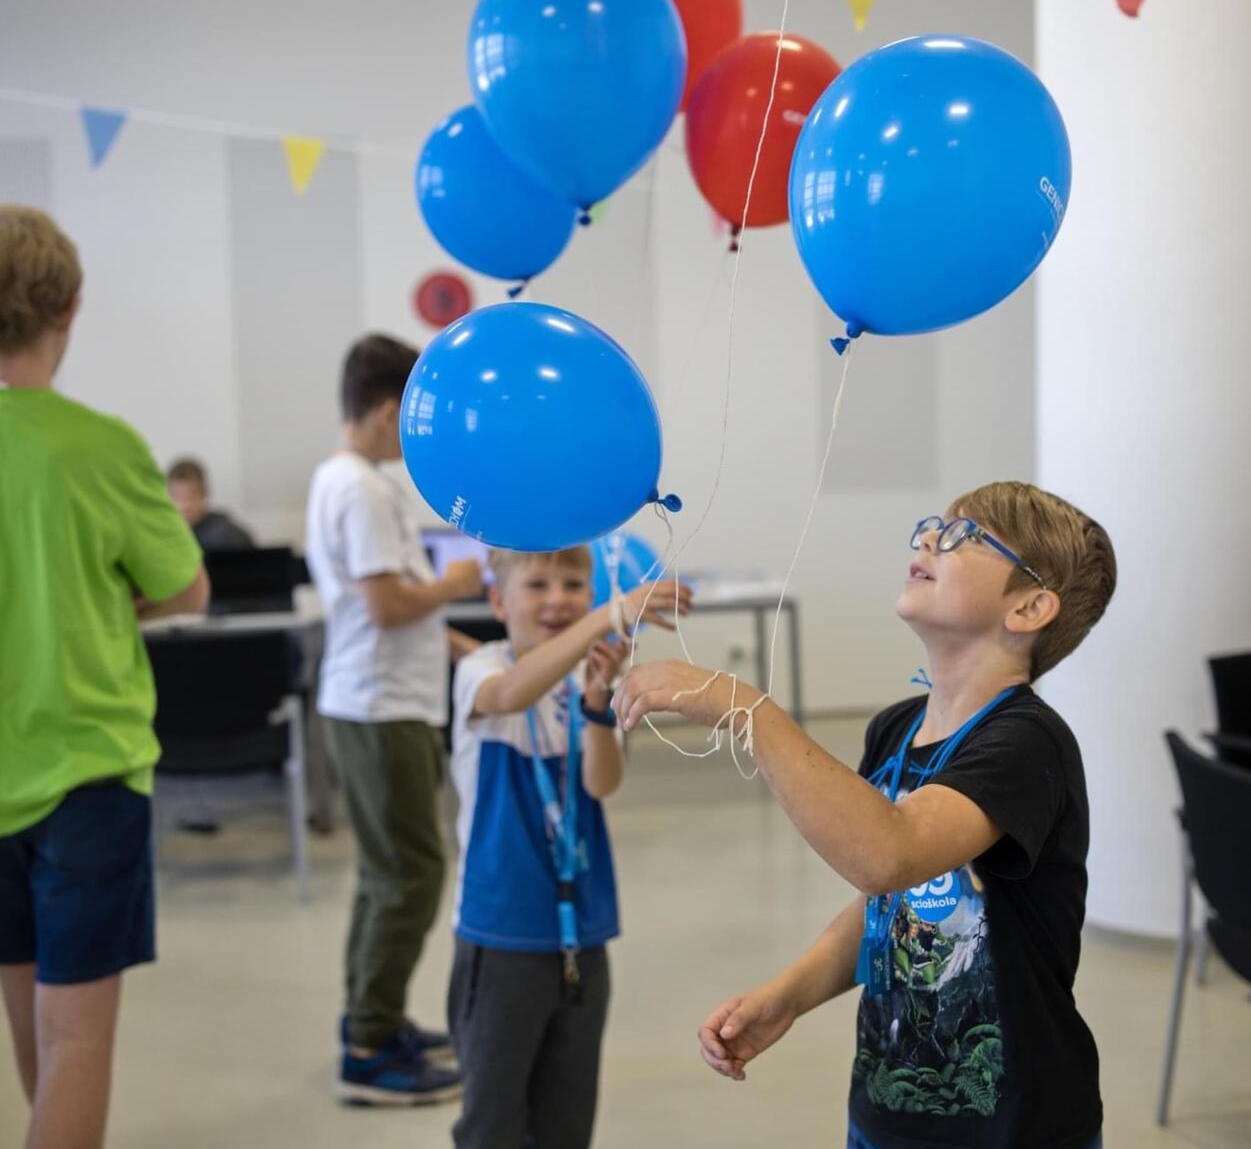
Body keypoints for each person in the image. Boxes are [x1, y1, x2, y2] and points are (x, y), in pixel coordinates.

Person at [615, 481, 1114, 1149]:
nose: (928, 537)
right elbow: (887, 903)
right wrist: (789, 995)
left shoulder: (1027, 743)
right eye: (934, 525)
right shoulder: (896, 729)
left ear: (1028, 607)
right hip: (887, 1113)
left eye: (964, 536)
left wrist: (746, 709)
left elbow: (889, 854)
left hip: (1016, 1129)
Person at [0, 205, 210, 1149]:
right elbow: (186, 589)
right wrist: (101, 603)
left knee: (33, 1031)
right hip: (89, 775)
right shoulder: (101, 445)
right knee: (76, 1041)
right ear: (70, 309)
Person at [447, 547, 690, 1149]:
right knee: (492, 1119)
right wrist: (609, 614)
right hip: (502, 932)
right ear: (498, 601)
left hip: (582, 929)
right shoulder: (481, 668)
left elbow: (600, 784)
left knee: (568, 1116)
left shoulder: (589, 676)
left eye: (574, 584)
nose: (557, 598)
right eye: (537, 585)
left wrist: (598, 702)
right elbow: (510, 695)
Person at [304, 333, 485, 1105]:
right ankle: (370, 1048)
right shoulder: (365, 492)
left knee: (386, 875)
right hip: (382, 708)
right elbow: (385, 606)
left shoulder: (340, 480)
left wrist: (466, 649)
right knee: (412, 874)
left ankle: (370, 1019)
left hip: (374, 699)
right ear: (386, 411)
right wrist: (457, 585)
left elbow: (382, 604)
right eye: (413, 418)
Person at [165, 457, 255, 551]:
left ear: (205, 494)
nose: (185, 506)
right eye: (177, 497)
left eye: (192, 496)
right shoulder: (162, 535)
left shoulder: (229, 536)